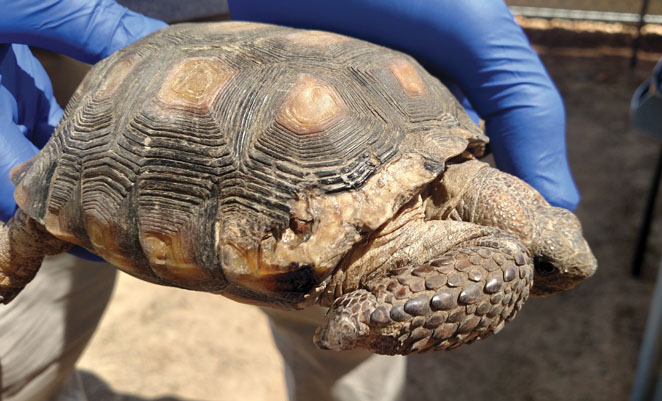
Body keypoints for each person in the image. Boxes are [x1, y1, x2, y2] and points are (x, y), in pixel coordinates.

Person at [0, 1, 578, 400]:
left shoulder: (440, 190)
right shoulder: (490, 243)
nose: (557, 273)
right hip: (79, 63)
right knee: (19, 357)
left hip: (322, 42)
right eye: (546, 264)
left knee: (347, 374)